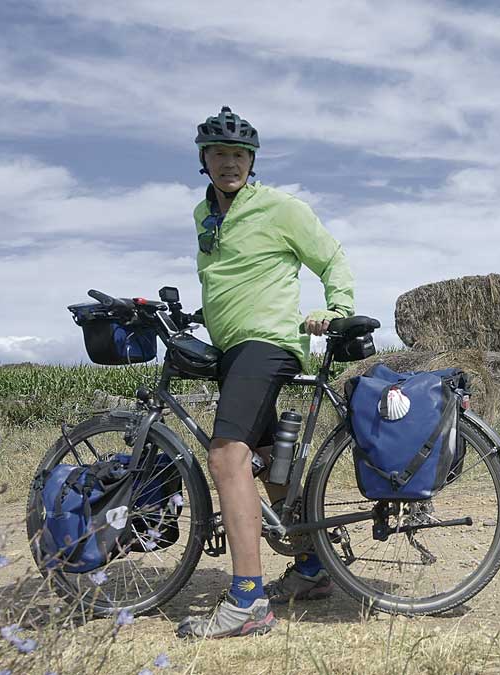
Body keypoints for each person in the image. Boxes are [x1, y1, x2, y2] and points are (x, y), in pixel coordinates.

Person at [176, 106, 355, 639]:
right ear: (204, 160)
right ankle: (311, 568)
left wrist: (338, 310)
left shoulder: (280, 207)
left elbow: (332, 259)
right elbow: (227, 278)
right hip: (232, 347)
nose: (229, 162)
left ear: (251, 162)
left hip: (270, 342)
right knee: (265, 465)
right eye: (219, 153)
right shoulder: (202, 216)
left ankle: (248, 600)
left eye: (239, 154)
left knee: (225, 454)